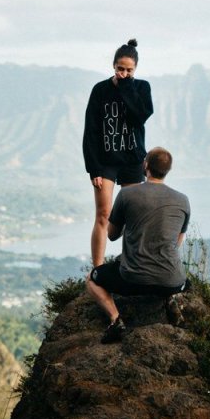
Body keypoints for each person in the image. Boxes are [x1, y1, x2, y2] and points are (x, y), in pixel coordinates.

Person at [86, 147, 189, 343]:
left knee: (92, 279)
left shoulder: (127, 194)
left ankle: (116, 319)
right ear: (168, 170)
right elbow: (176, 243)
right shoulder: (183, 200)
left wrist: (132, 224)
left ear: (146, 165)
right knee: (178, 280)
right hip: (173, 281)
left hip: (133, 279)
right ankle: (169, 298)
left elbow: (112, 235)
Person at [82, 38, 154, 267]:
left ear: (136, 69)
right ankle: (98, 267)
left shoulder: (141, 87)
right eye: (120, 69)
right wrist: (93, 167)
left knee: (132, 216)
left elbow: (139, 117)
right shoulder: (100, 90)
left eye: (129, 70)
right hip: (105, 162)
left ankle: (130, 263)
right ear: (113, 66)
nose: (124, 73)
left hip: (132, 159)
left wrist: (126, 87)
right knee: (103, 214)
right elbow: (91, 130)